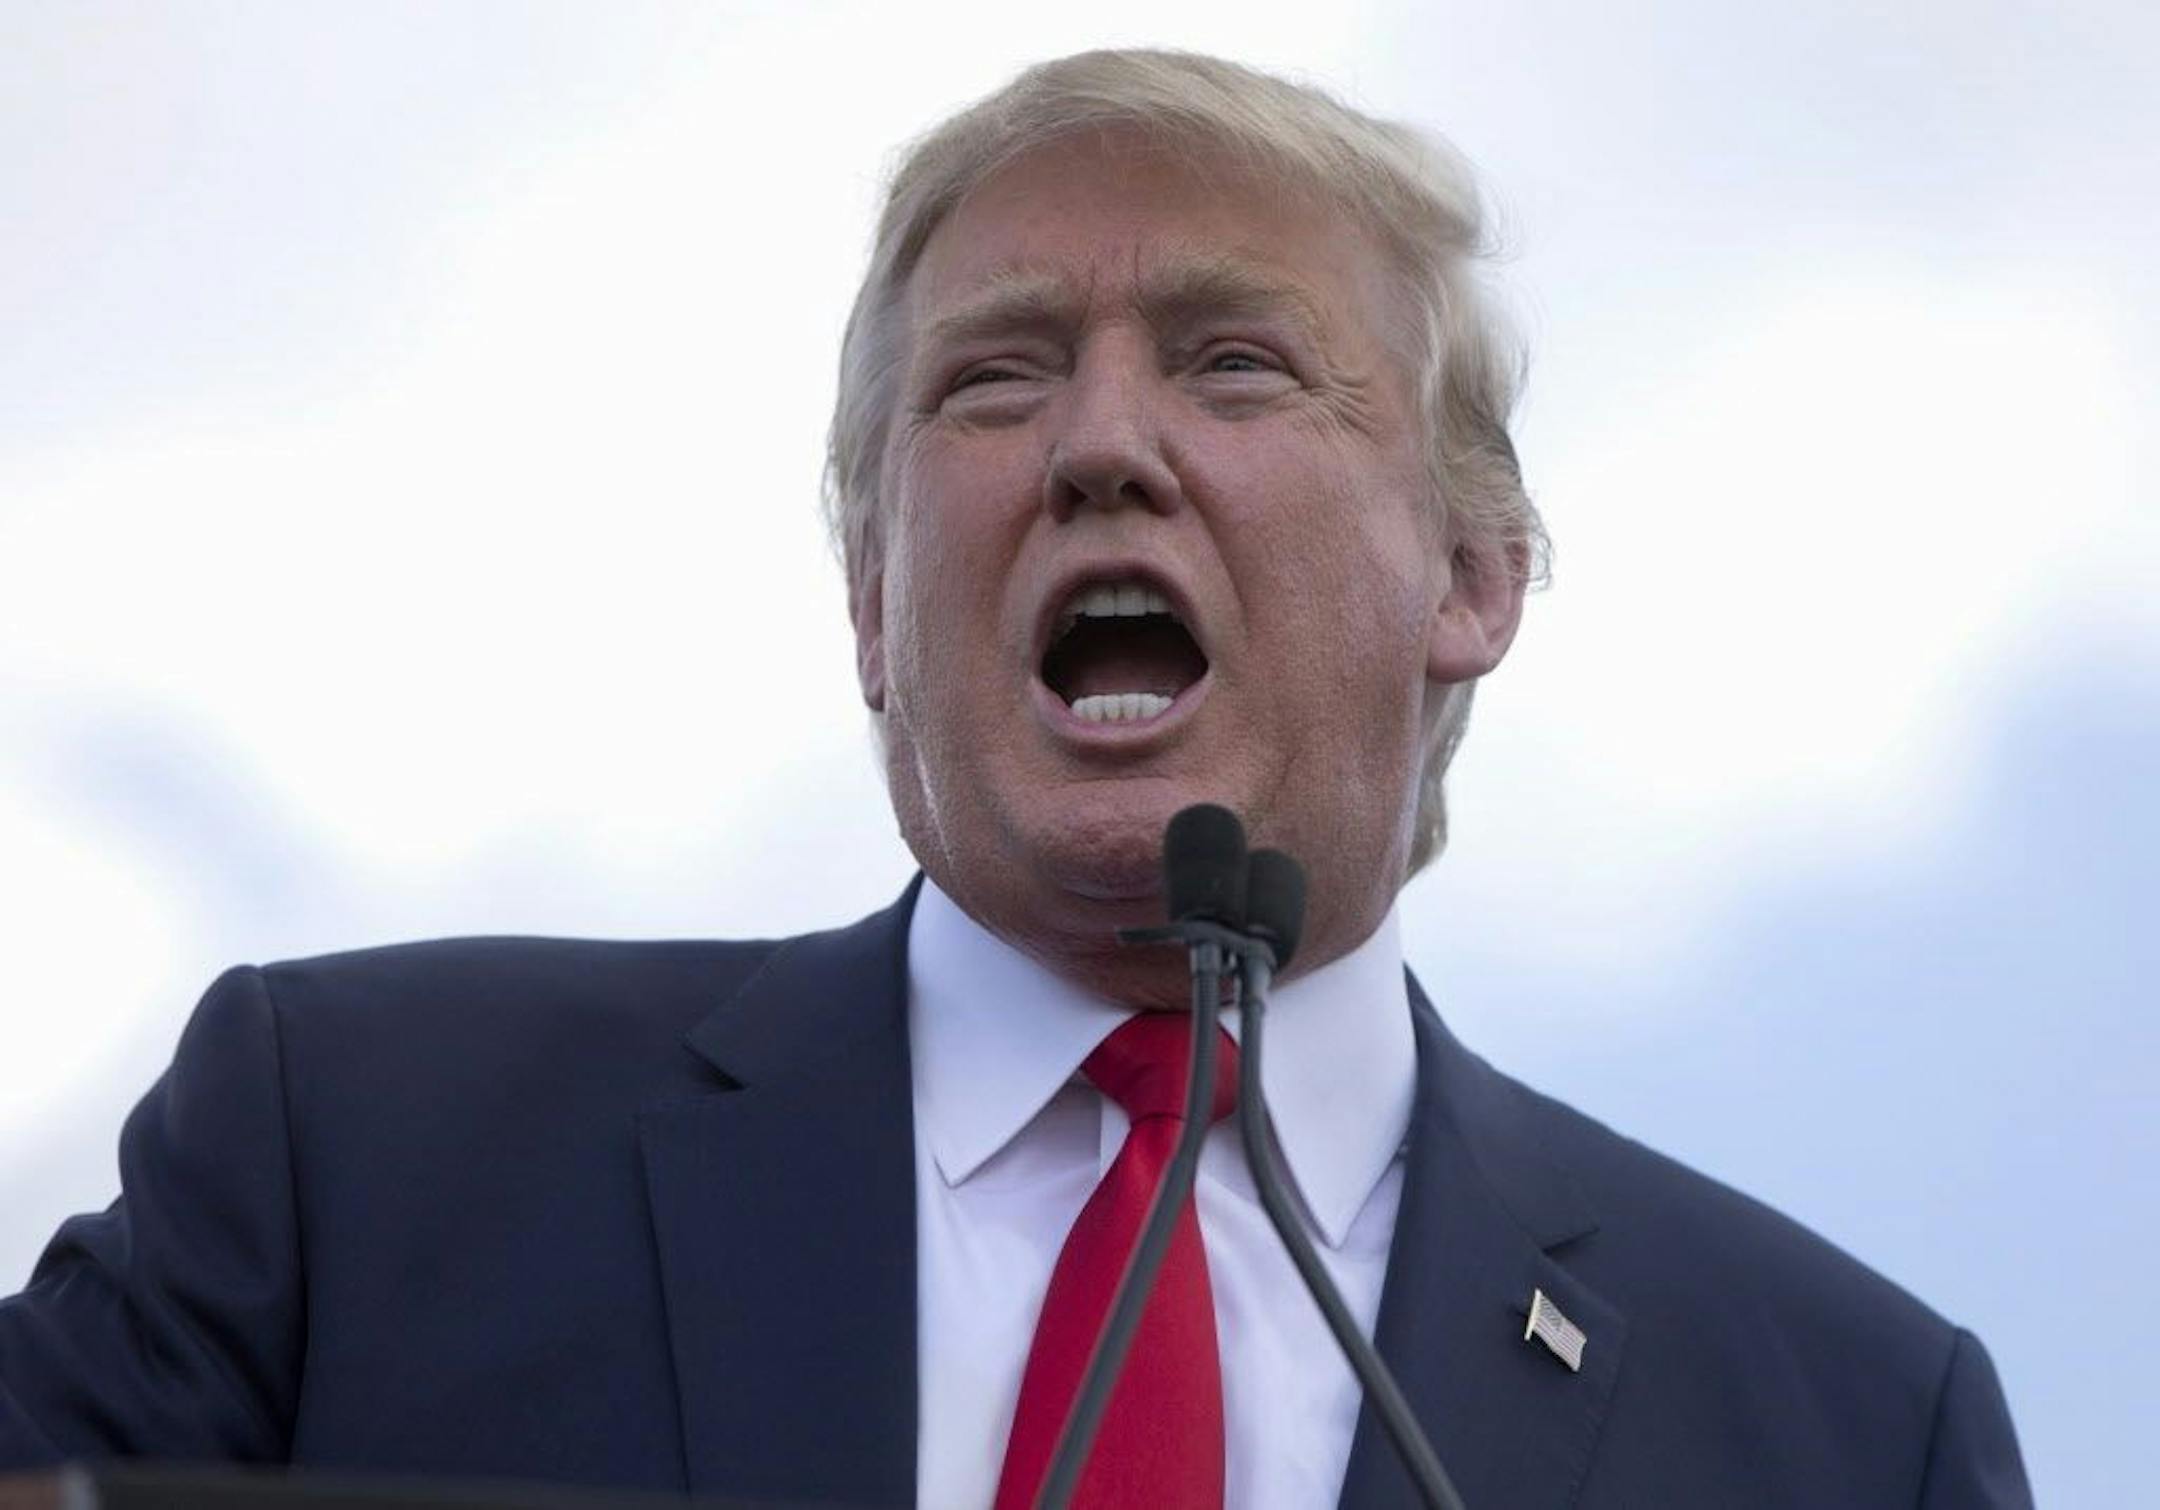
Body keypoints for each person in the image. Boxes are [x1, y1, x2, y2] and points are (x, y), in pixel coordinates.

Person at [0, 49, 2029, 1508]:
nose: (1102, 444)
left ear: (1477, 580)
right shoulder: (354, 1150)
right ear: (875, 603)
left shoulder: (1843, 1421)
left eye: (1236, 362)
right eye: (998, 374)